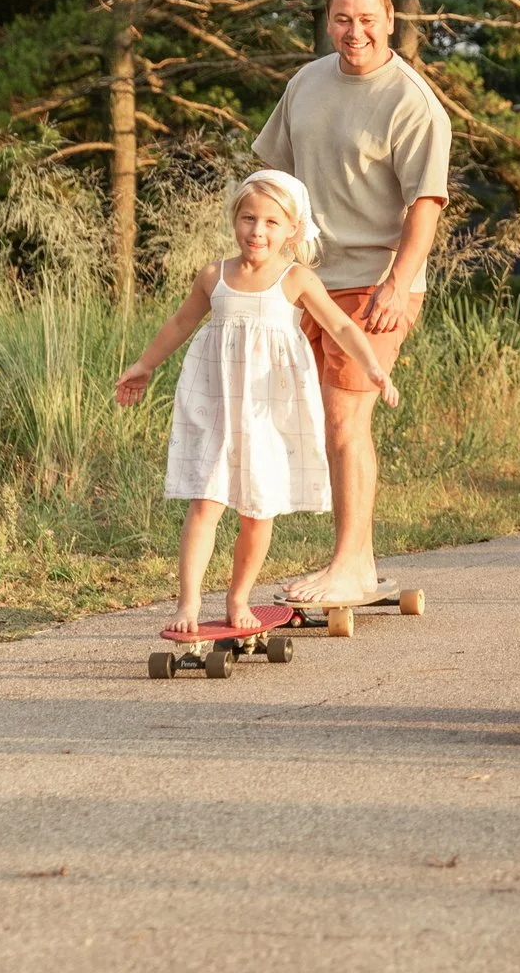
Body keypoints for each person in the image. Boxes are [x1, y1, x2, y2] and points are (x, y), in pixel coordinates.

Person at [115, 171, 401, 636]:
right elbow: (178, 324)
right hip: (217, 409)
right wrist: (143, 365)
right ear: (235, 221)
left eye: (271, 221)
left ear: (292, 229)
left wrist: (372, 367)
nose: (257, 231)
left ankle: (238, 597)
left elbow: (343, 327)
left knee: (256, 511)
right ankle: (188, 601)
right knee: (205, 504)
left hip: (268, 415)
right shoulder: (214, 276)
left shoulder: (296, 280)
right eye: (249, 218)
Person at [253, 0, 451, 607]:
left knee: (345, 419)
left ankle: (352, 568)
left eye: (368, 19)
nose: (354, 31)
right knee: (296, 419)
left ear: (390, 22)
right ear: (328, 19)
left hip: (374, 281)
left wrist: (399, 281)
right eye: (343, 18)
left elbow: (426, 204)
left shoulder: (413, 103)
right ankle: (352, 556)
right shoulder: (306, 83)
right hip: (301, 278)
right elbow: (274, 179)